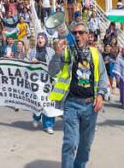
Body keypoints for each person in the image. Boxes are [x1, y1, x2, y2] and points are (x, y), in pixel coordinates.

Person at [48, 23, 108, 167]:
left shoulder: (95, 54)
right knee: (70, 141)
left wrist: (100, 95)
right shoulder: (66, 51)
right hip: (72, 104)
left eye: (81, 33)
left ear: (87, 35)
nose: (77, 36)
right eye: (75, 33)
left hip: (90, 106)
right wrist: (57, 54)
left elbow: (102, 76)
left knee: (85, 145)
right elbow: (52, 71)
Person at [29, 32, 56, 134]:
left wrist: (51, 64)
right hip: (37, 81)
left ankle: (48, 125)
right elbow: (28, 65)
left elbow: (56, 64)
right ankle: (36, 117)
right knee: (37, 100)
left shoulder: (51, 51)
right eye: (38, 38)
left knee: (48, 102)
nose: (40, 39)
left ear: (45, 40)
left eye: (42, 38)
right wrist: (32, 62)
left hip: (48, 82)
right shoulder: (33, 52)